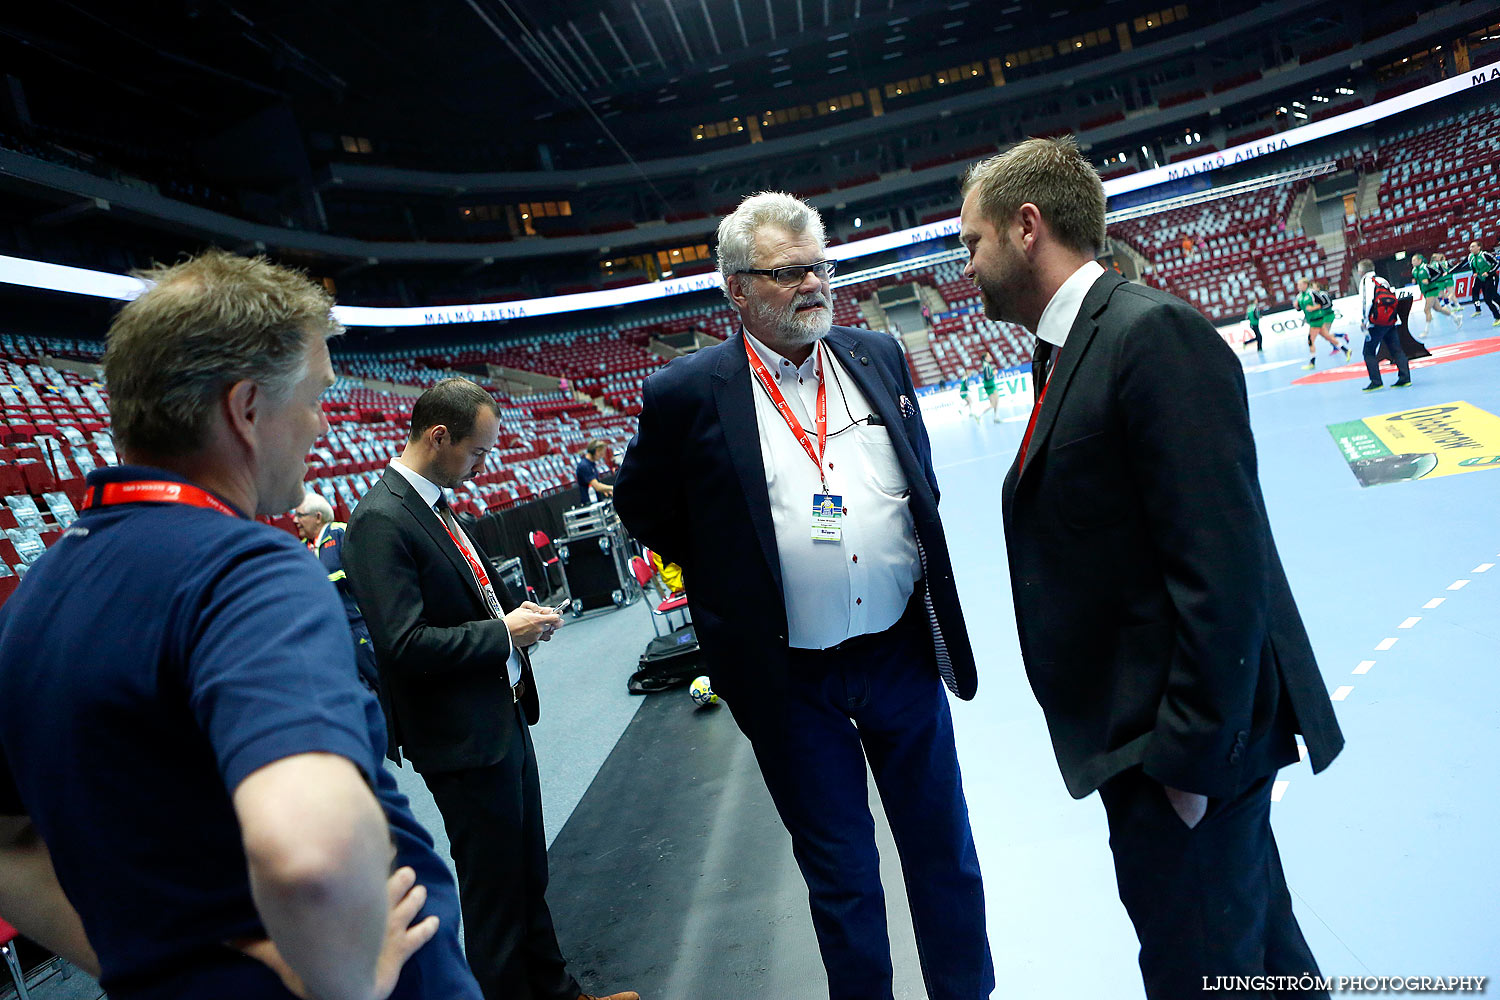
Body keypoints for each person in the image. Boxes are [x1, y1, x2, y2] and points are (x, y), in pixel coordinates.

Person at [0, 250, 480, 1000]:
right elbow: (309, 859)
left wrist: (168, 964)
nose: (322, 424)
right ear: (247, 408)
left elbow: (7, 847)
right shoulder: (246, 571)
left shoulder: (36, 596)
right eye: (316, 396)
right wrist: (344, 982)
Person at [961, 137, 1344, 999]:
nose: (967, 268)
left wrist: (1187, 765)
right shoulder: (1068, 350)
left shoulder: (1150, 335)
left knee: (1200, 972)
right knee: (1266, 964)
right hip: (1146, 745)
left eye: (971, 243)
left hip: (1180, 756)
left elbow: (1224, 564)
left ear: (1027, 228)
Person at [615, 191, 992, 1000]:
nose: (813, 285)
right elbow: (642, 509)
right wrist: (731, 573)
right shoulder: (686, 394)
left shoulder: (877, 356)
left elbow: (918, 478)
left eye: (819, 266)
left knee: (943, 852)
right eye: (787, 273)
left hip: (899, 652)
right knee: (845, 876)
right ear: (737, 289)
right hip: (792, 683)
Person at [341, 379, 635, 1000]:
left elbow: (461, 603)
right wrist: (503, 632)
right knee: (495, 893)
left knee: (527, 874)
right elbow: (404, 644)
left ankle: (558, 993)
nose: (481, 469)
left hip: (497, 717)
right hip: (459, 737)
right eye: (476, 454)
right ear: (438, 436)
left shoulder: (434, 504)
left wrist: (514, 624)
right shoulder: (379, 518)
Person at [294, 491, 384, 705]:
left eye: (300, 515)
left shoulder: (339, 532)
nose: (294, 520)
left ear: (317, 516)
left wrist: (321, 582)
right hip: (332, 631)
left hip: (358, 625)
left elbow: (363, 571)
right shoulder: (301, 548)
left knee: (381, 680)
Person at [1357, 259, 1411, 391]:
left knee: (1368, 352)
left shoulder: (1365, 281)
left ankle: (1376, 381)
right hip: (1390, 319)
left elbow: (1367, 302)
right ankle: (1405, 378)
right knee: (1396, 349)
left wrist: (1364, 321)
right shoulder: (1382, 279)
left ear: (1362, 271)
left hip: (1376, 321)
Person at [1296, 276, 1342, 368]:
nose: (1298, 287)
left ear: (1305, 285)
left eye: (1300, 285)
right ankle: (1345, 349)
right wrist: (1297, 307)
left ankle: (1312, 362)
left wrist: (1313, 308)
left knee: (1310, 340)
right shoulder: (1299, 296)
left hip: (1317, 319)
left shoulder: (1312, 293)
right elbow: (1301, 308)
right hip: (1311, 320)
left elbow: (1322, 303)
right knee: (1327, 337)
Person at [1410, 253, 1462, 334]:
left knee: (1426, 309)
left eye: (1414, 260)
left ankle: (1426, 331)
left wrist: (1430, 280)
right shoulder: (1414, 270)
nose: (1412, 262)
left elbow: (1438, 273)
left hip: (1432, 290)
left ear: (1419, 260)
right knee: (1438, 309)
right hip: (1425, 292)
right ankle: (1456, 317)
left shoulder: (1426, 267)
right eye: (1412, 260)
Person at [1466, 240, 1500, 324]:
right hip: (1482, 279)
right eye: (1470, 247)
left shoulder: (1485, 255)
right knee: (1492, 297)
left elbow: (1497, 263)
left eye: (1473, 246)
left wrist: (1489, 272)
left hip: (1491, 277)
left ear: (1479, 247)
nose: (1471, 248)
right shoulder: (1472, 258)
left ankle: (1497, 317)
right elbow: (1474, 268)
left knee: (1489, 298)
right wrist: (1475, 273)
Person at [574, 439, 613, 505]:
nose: (602, 456)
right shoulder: (584, 466)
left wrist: (606, 490)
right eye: (601, 453)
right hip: (589, 503)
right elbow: (597, 486)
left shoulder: (591, 464)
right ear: (596, 451)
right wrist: (614, 488)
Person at [981, 350, 1002, 422]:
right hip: (989, 386)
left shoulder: (986, 365)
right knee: (993, 404)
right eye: (989, 356)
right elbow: (987, 377)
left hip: (990, 385)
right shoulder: (986, 366)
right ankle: (980, 415)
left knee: (996, 401)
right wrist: (993, 373)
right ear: (986, 357)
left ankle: (996, 417)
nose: (990, 357)